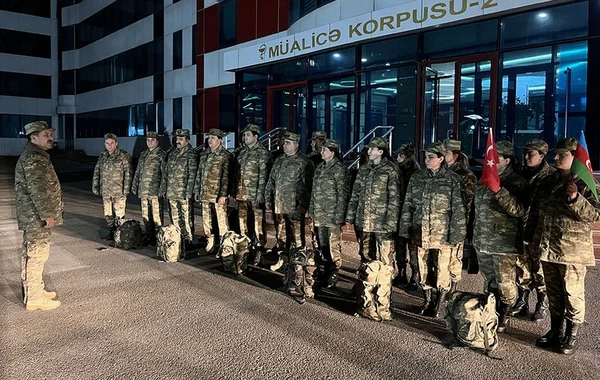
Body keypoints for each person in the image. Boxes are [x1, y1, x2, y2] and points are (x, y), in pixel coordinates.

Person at [531, 138, 600, 355]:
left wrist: (574, 198)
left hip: (572, 251)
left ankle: (571, 334)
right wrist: (531, 239)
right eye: (556, 154)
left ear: (575, 157)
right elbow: (536, 211)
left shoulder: (586, 183)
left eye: (562, 154)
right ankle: (555, 331)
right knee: (554, 293)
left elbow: (595, 215)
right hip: (549, 248)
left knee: (572, 294)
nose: (557, 158)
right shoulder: (549, 180)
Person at [399, 142, 466, 318]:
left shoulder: (452, 180)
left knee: (442, 268)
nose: (426, 160)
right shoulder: (417, 178)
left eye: (431, 157)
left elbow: (458, 210)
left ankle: (440, 302)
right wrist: (405, 229)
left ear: (441, 159)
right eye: (426, 156)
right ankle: (427, 300)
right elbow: (408, 205)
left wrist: (458, 234)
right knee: (422, 267)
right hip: (420, 231)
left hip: (442, 234)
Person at [472, 140, 527, 332]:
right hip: (483, 239)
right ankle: (492, 308)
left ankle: (506, 310)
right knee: (490, 280)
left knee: (505, 282)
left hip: (504, 243)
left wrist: (499, 190)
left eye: (495, 159)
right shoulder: (484, 180)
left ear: (507, 160)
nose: (491, 162)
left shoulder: (517, 182)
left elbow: (519, 210)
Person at [15, 121, 63, 310]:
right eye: (45, 135)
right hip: (37, 217)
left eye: (50, 134)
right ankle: (35, 297)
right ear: (33, 138)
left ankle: (34, 290)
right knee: (36, 255)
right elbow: (37, 190)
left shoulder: (35, 156)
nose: (50, 137)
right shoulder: (34, 158)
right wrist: (47, 214)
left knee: (33, 254)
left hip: (33, 216)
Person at [512, 139, 556, 321]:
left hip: (540, 230)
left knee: (539, 270)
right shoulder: (520, 174)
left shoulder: (551, 176)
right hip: (521, 227)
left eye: (531, 154)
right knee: (521, 266)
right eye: (525, 153)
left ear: (542, 156)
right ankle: (522, 300)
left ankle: (541, 304)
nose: (527, 157)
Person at [346, 136, 400, 271]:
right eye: (368, 149)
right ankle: (366, 286)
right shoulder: (364, 169)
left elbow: (394, 198)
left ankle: (383, 289)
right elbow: (355, 194)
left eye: (372, 149)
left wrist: (391, 222)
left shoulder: (390, 170)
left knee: (385, 257)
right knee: (365, 255)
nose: (368, 151)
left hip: (382, 221)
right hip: (364, 220)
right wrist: (350, 216)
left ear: (381, 152)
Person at [265, 132, 314, 271]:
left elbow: (308, 186)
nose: (284, 145)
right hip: (279, 205)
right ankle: (283, 259)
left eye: (288, 143)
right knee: (281, 235)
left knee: (297, 237)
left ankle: (298, 265)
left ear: (296, 145)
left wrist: (304, 205)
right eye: (284, 142)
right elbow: (271, 181)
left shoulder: (304, 162)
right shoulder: (279, 160)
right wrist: (268, 198)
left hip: (294, 207)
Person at [309, 139, 350, 288]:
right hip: (320, 214)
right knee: (322, 244)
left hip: (332, 215)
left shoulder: (340, 169)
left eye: (325, 150)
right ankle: (326, 268)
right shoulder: (319, 168)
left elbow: (343, 194)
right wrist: (312, 209)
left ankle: (334, 271)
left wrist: (340, 215)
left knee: (334, 245)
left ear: (332, 152)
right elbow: (314, 192)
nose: (321, 152)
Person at [233, 124, 270, 264]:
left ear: (255, 136)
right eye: (244, 135)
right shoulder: (242, 152)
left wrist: (261, 193)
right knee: (242, 222)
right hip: (241, 193)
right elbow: (237, 173)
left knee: (257, 223)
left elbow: (263, 175)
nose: (245, 137)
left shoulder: (262, 153)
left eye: (248, 135)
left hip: (255, 194)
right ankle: (245, 247)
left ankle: (258, 250)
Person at [444, 139, 477, 293]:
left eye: (446, 152)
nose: (443, 155)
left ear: (455, 155)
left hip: (458, 221)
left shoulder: (466, 175)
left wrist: (466, 224)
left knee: (454, 257)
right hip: (441, 221)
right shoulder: (441, 171)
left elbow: (469, 203)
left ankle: (452, 288)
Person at [194, 128, 233, 255]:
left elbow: (226, 177)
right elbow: (199, 174)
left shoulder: (225, 156)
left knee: (221, 221)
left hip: (217, 193)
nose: (209, 140)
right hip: (205, 193)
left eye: (213, 138)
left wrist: (223, 194)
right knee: (206, 219)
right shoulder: (204, 154)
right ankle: (209, 244)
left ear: (220, 140)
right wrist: (197, 190)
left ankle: (224, 246)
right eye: (209, 138)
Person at [160, 128, 198, 249]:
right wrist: (164, 188)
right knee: (174, 217)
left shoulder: (191, 154)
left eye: (181, 139)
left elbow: (192, 175)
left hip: (183, 193)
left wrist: (189, 192)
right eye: (177, 139)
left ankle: (188, 240)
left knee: (186, 219)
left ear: (187, 140)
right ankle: (178, 239)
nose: (178, 141)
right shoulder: (172, 153)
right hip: (172, 192)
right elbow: (166, 173)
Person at [92, 133, 132, 240]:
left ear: (116, 143)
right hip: (106, 190)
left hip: (118, 191)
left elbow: (128, 173)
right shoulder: (103, 156)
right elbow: (97, 171)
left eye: (112, 143)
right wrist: (95, 186)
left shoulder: (123, 155)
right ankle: (111, 231)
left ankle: (119, 235)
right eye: (107, 143)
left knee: (119, 214)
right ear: (104, 144)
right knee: (108, 213)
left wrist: (126, 190)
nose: (109, 145)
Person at [131, 131, 166, 245]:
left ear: (157, 141)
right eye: (148, 140)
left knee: (156, 216)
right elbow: (138, 172)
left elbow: (165, 174)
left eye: (152, 140)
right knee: (145, 214)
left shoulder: (161, 155)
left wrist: (162, 189)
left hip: (155, 191)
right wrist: (135, 185)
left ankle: (158, 237)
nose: (150, 142)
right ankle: (149, 235)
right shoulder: (143, 155)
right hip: (144, 190)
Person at [394, 143, 420, 289]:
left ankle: (415, 276)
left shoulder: (416, 173)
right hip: (398, 213)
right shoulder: (397, 170)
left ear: (409, 158)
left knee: (413, 247)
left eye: (401, 156)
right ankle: (401, 272)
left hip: (410, 214)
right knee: (399, 246)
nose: (398, 158)